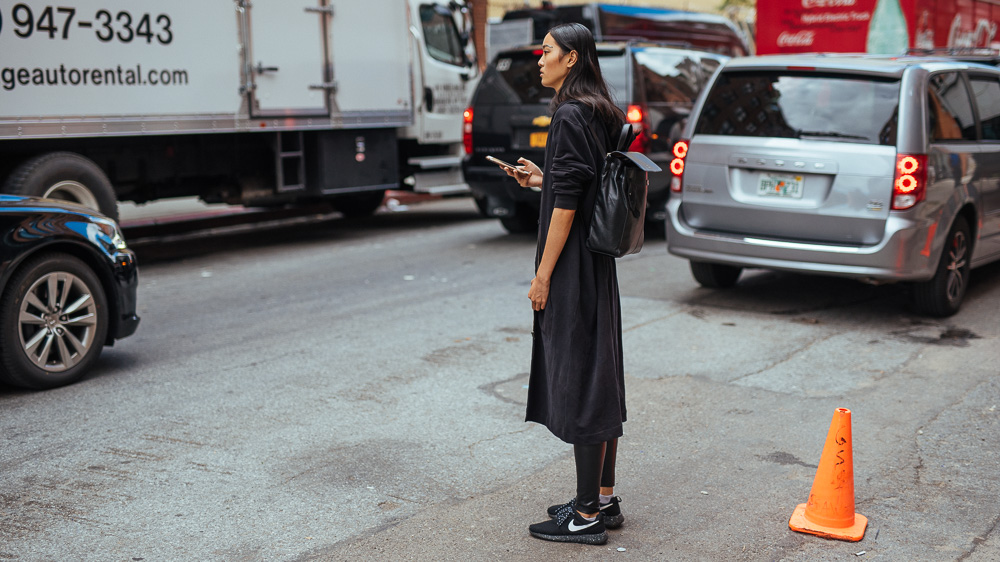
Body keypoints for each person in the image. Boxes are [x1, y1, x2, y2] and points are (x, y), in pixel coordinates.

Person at [495, 22, 626, 546]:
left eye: (547, 51)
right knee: (600, 371)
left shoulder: (569, 115)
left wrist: (543, 275)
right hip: (598, 264)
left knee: (581, 378)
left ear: (571, 59)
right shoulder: (599, 110)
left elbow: (569, 205)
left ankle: (587, 514)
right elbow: (584, 185)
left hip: (572, 268)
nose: (539, 59)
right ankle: (605, 497)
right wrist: (539, 180)